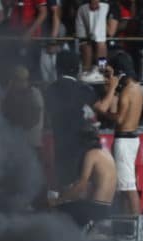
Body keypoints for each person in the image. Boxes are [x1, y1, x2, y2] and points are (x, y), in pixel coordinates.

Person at [94, 52, 143, 215]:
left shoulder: (126, 91)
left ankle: (136, 226)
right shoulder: (137, 88)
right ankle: (127, 224)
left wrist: (102, 113)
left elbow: (120, 119)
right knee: (124, 185)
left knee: (128, 186)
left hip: (124, 140)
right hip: (132, 138)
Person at [44, 51, 98, 191]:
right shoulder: (85, 90)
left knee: (64, 182)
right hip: (82, 145)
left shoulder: (50, 89)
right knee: (82, 181)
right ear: (77, 68)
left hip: (60, 142)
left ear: (58, 67)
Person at [51, 128, 116, 228]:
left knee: (58, 210)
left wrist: (59, 200)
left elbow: (81, 185)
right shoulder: (106, 153)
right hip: (106, 208)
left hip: (95, 208)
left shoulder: (91, 154)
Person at [75, 0, 111, 78]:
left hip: (90, 5)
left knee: (97, 40)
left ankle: (100, 70)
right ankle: (90, 71)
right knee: (90, 40)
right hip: (89, 5)